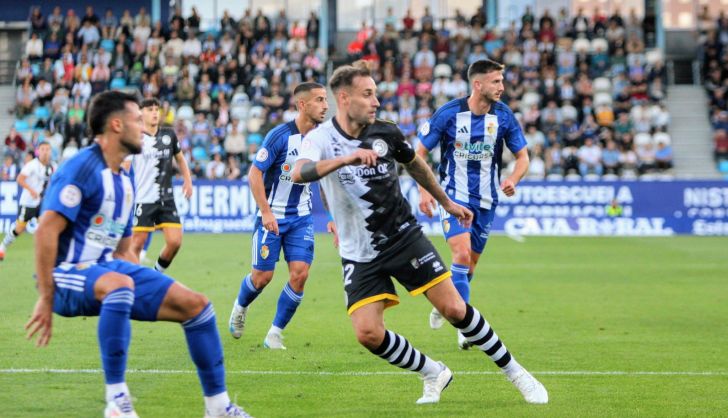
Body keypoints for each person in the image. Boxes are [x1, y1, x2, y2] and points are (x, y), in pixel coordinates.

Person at [291, 61, 547, 405]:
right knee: (367, 334)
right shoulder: (319, 139)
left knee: (455, 310)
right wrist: (345, 160)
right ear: (344, 97)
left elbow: (415, 164)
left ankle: (516, 372)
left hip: (402, 236)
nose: (376, 102)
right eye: (368, 95)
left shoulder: (386, 132)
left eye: (376, 94)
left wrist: (447, 202)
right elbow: (299, 172)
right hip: (358, 250)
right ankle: (433, 372)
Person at [25, 91, 250, 418]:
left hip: (106, 272)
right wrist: (46, 296)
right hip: (64, 275)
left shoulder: (125, 180)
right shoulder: (82, 168)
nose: (144, 129)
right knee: (120, 285)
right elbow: (46, 230)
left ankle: (218, 408)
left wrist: (150, 285)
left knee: (197, 306)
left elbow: (124, 251)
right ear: (116, 125)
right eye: (136, 121)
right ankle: (117, 400)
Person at [416, 59, 530, 348]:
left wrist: (514, 179)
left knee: (469, 267)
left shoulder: (504, 116)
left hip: (488, 200)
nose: (502, 87)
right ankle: (466, 329)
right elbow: (418, 152)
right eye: (496, 82)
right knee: (462, 255)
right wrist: (424, 191)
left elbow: (523, 156)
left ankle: (448, 303)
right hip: (453, 196)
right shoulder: (449, 114)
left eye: (502, 81)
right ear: (477, 84)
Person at [228, 82, 329, 349]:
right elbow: (254, 173)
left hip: (302, 218)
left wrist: (332, 217)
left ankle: (274, 332)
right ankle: (240, 306)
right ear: (302, 104)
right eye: (319, 100)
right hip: (273, 216)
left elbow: (326, 179)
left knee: (300, 274)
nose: (326, 106)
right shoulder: (279, 136)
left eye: (326, 100)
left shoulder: (324, 138)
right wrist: (265, 212)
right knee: (262, 277)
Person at [125, 98, 193, 273]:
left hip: (166, 199)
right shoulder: (135, 137)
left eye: (157, 109)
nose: (155, 112)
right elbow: (125, 166)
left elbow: (180, 159)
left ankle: (156, 274)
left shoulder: (168, 135)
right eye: (150, 109)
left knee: (175, 242)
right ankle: (132, 281)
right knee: (136, 244)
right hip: (143, 199)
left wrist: (188, 180)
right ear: (141, 113)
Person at [0, 143, 55, 261]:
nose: (45, 151)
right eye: (43, 149)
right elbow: (19, 179)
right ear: (38, 151)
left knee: (46, 226)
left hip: (41, 203)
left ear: (50, 151)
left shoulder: (52, 166)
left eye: (47, 149)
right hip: (27, 203)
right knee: (19, 229)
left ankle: (46, 255)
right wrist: (32, 191)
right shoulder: (32, 165)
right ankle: (3, 246)